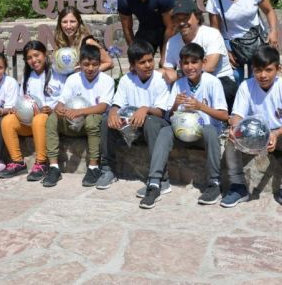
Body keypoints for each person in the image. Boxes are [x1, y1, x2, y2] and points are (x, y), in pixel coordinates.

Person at [139, 43, 228, 209]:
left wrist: (201, 107)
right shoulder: (179, 84)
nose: (190, 67)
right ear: (180, 65)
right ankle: (155, 183)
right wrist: (174, 105)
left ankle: (214, 183)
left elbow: (224, 116)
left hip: (203, 135)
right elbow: (170, 117)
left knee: (209, 130)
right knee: (165, 131)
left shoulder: (213, 82)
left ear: (204, 62)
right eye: (185, 63)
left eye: (194, 62)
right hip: (182, 131)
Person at [223, 45, 282, 210]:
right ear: (252, 69)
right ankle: (239, 187)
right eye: (258, 70)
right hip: (252, 135)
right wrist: (235, 127)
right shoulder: (246, 86)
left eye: (268, 70)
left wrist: (276, 134)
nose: (263, 75)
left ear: (278, 69)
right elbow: (237, 115)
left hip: (279, 133)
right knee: (229, 138)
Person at [98, 40, 171, 190]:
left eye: (150, 60)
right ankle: (108, 169)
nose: (148, 65)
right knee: (106, 120)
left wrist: (145, 109)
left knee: (151, 121)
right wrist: (112, 113)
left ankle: (159, 177)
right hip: (130, 128)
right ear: (132, 65)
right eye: (142, 62)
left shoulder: (160, 80)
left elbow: (161, 111)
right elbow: (116, 104)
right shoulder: (126, 80)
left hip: (154, 127)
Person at [43, 44, 114, 187]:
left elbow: (102, 107)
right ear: (79, 64)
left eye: (94, 64)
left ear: (99, 64)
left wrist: (79, 112)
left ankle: (93, 167)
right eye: (86, 64)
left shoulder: (107, 81)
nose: (90, 68)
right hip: (71, 122)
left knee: (93, 120)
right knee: (51, 119)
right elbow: (61, 102)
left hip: (91, 123)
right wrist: (60, 109)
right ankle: (54, 167)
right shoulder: (73, 79)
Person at [0, 41, 67, 180]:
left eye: (37, 55)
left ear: (45, 54)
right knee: (7, 121)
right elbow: (22, 99)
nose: (34, 60)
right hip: (30, 122)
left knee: (39, 118)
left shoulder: (58, 73)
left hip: (50, 122)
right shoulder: (27, 76)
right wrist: (16, 109)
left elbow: (66, 99)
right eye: (29, 58)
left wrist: (53, 109)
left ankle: (41, 163)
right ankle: (17, 162)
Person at [207, 0, 278, 83]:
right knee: (235, 78)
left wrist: (273, 31)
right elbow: (215, 31)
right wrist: (224, 51)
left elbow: (269, 11)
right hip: (231, 45)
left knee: (259, 77)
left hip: (256, 40)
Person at [161, 0, 237, 112]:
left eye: (186, 18)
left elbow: (210, 67)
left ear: (197, 17)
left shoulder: (212, 34)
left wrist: (178, 74)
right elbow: (166, 71)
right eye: (178, 19)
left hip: (218, 80)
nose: (182, 23)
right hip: (188, 83)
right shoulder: (172, 42)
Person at [54, 6, 113, 72]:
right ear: (60, 23)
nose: (68, 26)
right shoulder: (61, 41)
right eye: (65, 22)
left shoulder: (88, 42)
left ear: (79, 22)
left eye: (72, 21)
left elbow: (109, 63)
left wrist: (87, 72)